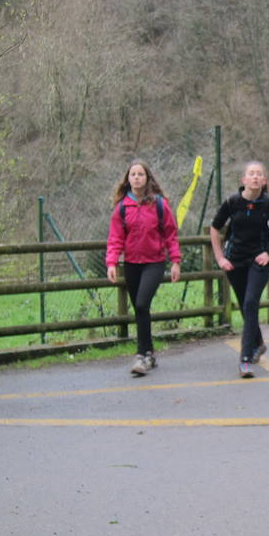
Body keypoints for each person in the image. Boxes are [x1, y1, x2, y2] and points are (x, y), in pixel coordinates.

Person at [210, 161, 269, 378]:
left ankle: (245, 358)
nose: (255, 177)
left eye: (259, 174)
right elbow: (215, 228)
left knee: (251, 302)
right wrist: (220, 258)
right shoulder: (232, 202)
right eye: (251, 174)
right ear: (243, 180)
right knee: (246, 305)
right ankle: (259, 342)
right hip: (234, 261)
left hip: (259, 260)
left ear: (264, 180)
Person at [106, 159, 181, 376]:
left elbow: (171, 234)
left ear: (147, 178)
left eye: (140, 174)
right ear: (128, 179)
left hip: (154, 262)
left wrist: (175, 261)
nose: (136, 177)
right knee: (141, 310)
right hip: (131, 263)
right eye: (133, 174)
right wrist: (112, 263)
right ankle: (149, 353)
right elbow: (115, 238)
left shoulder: (158, 204)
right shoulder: (122, 208)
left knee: (141, 303)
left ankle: (141, 355)